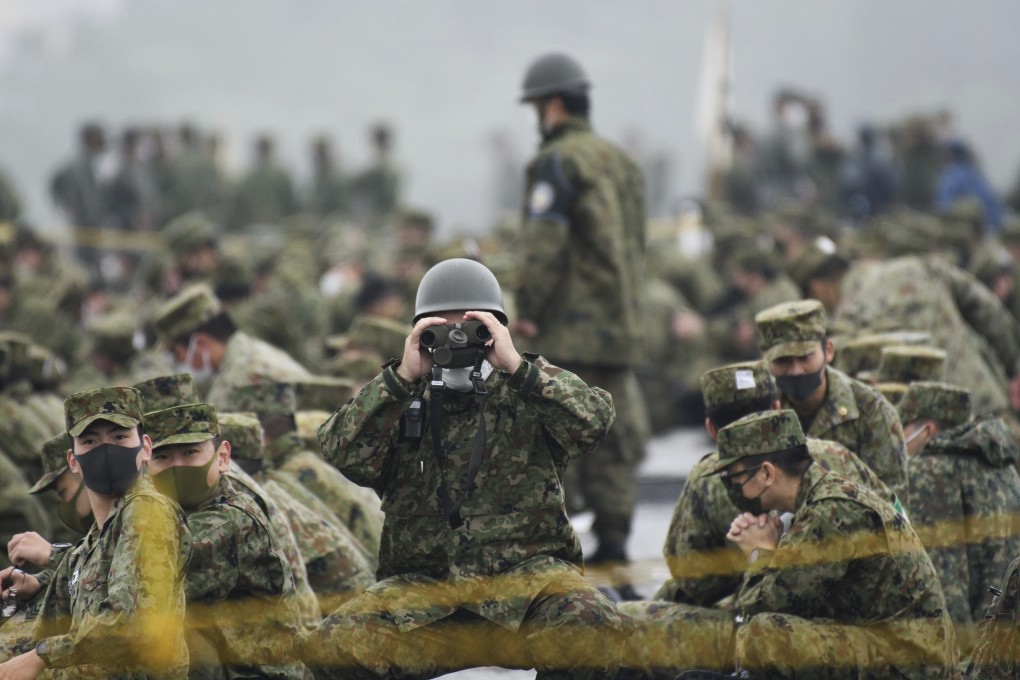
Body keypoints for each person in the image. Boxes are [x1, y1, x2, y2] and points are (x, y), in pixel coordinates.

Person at [303, 257, 631, 679]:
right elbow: (340, 450)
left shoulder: (528, 387)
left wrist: (517, 367)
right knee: (336, 646)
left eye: (472, 327)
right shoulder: (401, 398)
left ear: (496, 328)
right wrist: (400, 378)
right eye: (441, 328)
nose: (457, 338)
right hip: (425, 596)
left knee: (591, 623)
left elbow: (594, 422)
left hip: (527, 587)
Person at [617, 361, 899, 680]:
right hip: (851, 632)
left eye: (737, 481)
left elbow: (696, 580)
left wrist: (756, 553)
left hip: (811, 638)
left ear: (711, 428)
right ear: (778, 408)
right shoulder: (836, 456)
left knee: (628, 623)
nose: (738, 489)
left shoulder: (717, 477)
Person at [514, 51, 648, 566]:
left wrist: (527, 307)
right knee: (613, 438)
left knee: (556, 435)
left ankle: (558, 551)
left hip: (569, 330)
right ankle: (614, 540)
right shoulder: (623, 164)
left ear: (552, 106)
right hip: (620, 327)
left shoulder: (557, 162)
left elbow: (544, 245)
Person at [704, 410, 956, 678]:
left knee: (766, 634)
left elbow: (766, 605)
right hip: (898, 652)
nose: (733, 491)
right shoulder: (822, 499)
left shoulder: (830, 512)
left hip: (910, 664)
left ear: (767, 473)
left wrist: (759, 551)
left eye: (735, 480)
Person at [0, 386, 191, 679]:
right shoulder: (101, 531)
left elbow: (130, 623)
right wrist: (35, 585)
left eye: (119, 437)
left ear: (145, 448)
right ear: (73, 461)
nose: (106, 451)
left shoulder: (146, 511)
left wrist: (42, 656)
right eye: (90, 441)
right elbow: (91, 580)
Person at [144, 402, 306, 677]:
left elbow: (137, 589)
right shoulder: (174, 515)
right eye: (162, 457)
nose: (177, 467)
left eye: (190, 452)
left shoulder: (227, 520)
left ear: (222, 457)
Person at [897, 382, 1020, 654]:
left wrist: (958, 660)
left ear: (927, 430)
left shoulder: (930, 471)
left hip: (976, 651)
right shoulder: (1000, 463)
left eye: (901, 430)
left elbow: (944, 580)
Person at [754, 299, 909, 506]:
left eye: (805, 357)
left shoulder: (871, 410)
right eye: (783, 360)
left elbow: (893, 502)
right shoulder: (760, 412)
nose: (796, 370)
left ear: (828, 351)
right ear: (765, 361)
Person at [151, 282, 311, 407]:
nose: (178, 363)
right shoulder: (250, 350)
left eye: (176, 354)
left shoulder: (235, 386)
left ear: (200, 344)